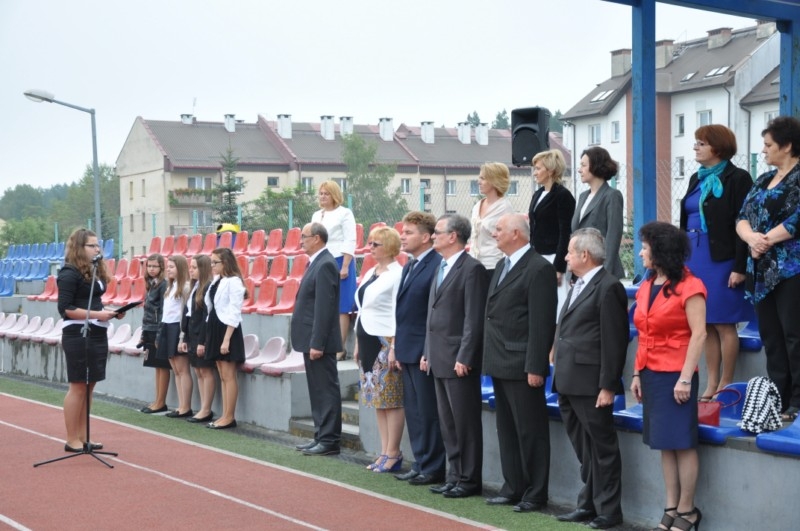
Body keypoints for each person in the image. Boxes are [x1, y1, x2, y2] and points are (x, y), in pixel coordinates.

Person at [630, 221, 707, 531]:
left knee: (682, 443)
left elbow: (699, 335)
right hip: (651, 372)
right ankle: (671, 507)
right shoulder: (647, 284)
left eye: (645, 248)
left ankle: (688, 511)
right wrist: (636, 373)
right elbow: (643, 333)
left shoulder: (691, 285)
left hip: (677, 374)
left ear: (660, 251)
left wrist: (685, 378)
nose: (641, 253)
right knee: (665, 443)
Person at [552, 228, 628, 529]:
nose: (566, 257)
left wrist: (608, 386)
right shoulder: (579, 283)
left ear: (585, 255)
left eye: (570, 252)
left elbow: (615, 341)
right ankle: (588, 504)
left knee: (602, 449)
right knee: (585, 450)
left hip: (591, 383)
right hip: (568, 380)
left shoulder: (608, 287)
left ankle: (609, 511)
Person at [482, 214, 557, 513]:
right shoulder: (503, 265)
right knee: (508, 430)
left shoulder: (538, 268)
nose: (494, 234)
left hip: (522, 362)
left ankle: (536, 493)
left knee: (530, 431)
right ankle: (513, 486)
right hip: (499, 360)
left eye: (499, 229)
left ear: (516, 233)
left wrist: (536, 367)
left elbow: (541, 322)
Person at [679, 125, 754, 400]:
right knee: (706, 322)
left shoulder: (738, 178)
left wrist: (740, 267)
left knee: (724, 323)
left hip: (722, 258)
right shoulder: (696, 178)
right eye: (696, 142)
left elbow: (744, 222)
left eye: (701, 143)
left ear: (718, 147)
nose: (695, 147)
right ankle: (711, 383)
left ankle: (726, 383)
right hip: (694, 256)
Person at [737, 116, 800, 421]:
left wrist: (764, 240)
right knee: (771, 336)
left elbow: (797, 219)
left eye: (768, 145)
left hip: (790, 269)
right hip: (761, 270)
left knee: (794, 335)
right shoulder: (763, 179)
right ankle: (778, 398)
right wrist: (751, 238)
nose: (763, 150)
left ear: (787, 146)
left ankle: (797, 401)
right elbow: (742, 216)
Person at [422, 214, 488, 499]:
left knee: (465, 423)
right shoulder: (441, 266)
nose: (432, 236)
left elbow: (473, 318)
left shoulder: (472, 269)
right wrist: (427, 352)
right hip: (438, 356)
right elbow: (432, 315)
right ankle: (454, 475)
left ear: (453, 236)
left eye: (437, 232)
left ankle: (469, 479)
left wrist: (465, 356)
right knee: (448, 423)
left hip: (458, 359)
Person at [57, 228, 124, 452]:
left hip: (97, 332)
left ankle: (84, 436)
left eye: (98, 245)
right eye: (92, 246)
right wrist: (98, 315)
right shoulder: (69, 273)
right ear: (79, 248)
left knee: (89, 386)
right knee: (78, 386)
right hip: (78, 334)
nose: (97, 249)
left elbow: (93, 303)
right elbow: (66, 309)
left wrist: (110, 312)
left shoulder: (93, 270)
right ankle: (71, 439)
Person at [393, 211, 447, 485]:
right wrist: (397, 346)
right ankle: (421, 461)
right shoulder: (409, 265)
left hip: (424, 350)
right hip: (407, 348)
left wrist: (427, 349)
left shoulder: (437, 265)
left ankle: (434, 467)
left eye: (409, 232)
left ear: (426, 237)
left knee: (427, 412)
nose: (402, 236)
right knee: (414, 412)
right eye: (403, 232)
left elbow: (433, 313)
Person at [353, 227, 404, 472]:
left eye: (375, 244)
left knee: (391, 399)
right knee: (377, 400)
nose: (370, 247)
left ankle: (394, 453)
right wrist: (357, 341)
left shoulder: (397, 274)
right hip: (367, 340)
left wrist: (394, 345)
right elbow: (363, 309)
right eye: (370, 243)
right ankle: (384, 451)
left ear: (390, 247)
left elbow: (398, 311)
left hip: (385, 340)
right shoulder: (370, 272)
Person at [292, 222, 344, 455]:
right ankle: (320, 435)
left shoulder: (325, 264)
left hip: (319, 342)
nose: (300, 241)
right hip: (311, 339)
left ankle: (329, 440)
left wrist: (317, 343)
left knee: (326, 390)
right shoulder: (317, 262)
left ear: (317, 238)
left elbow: (324, 308)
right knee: (317, 390)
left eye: (304, 236)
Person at [312, 180, 357, 361]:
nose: (323, 196)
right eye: (321, 193)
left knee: (342, 306)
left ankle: (340, 348)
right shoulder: (316, 215)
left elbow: (350, 239)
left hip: (340, 259)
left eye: (327, 193)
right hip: (320, 260)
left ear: (335, 195)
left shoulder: (344, 213)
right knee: (323, 303)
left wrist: (345, 265)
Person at [529, 149, 576, 314]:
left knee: (557, 304)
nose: (535, 173)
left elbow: (565, 232)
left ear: (550, 170)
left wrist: (559, 267)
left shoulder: (563, 195)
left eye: (538, 168)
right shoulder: (538, 194)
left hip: (553, 256)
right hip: (537, 255)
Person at [204, 247, 247, 429]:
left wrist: (227, 339)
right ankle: (224, 415)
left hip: (227, 330)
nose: (212, 265)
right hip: (215, 327)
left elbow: (235, 311)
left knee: (229, 375)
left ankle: (229, 417)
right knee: (222, 374)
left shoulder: (234, 281)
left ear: (225, 263)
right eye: (211, 262)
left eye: (215, 262)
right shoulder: (217, 280)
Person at [572, 147, 625, 279]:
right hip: (581, 269)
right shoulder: (583, 196)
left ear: (596, 166)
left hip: (600, 270)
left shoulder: (612, 196)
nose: (579, 170)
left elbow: (613, 237)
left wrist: (604, 273)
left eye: (583, 165)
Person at [179, 254, 216, 423]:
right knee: (198, 372)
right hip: (192, 335)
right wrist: (185, 337)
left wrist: (202, 341)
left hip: (203, 336)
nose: (191, 270)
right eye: (190, 267)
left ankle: (206, 409)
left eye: (194, 267)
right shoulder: (195, 287)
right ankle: (203, 407)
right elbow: (188, 315)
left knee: (205, 371)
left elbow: (206, 317)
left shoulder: (208, 287)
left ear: (203, 268)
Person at [468, 162, 516, 281]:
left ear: (494, 181)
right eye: (479, 178)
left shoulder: (504, 207)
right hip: (474, 265)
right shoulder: (477, 205)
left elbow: (509, 239)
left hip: (493, 266)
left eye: (483, 178)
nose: (478, 182)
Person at [139, 253, 170, 414]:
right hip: (149, 328)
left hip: (159, 330)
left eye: (154, 266)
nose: (151, 269)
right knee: (156, 367)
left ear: (161, 267)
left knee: (162, 366)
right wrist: (144, 332)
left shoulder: (163, 284)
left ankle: (161, 402)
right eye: (149, 266)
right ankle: (157, 400)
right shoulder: (151, 283)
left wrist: (159, 334)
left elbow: (164, 311)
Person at [162, 255, 192, 418]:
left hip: (177, 328)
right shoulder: (170, 287)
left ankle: (185, 407)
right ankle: (181, 405)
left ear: (180, 268)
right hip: (167, 327)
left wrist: (182, 336)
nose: (168, 269)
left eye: (172, 267)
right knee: (175, 370)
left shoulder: (185, 287)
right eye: (168, 267)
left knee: (182, 369)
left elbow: (185, 314)